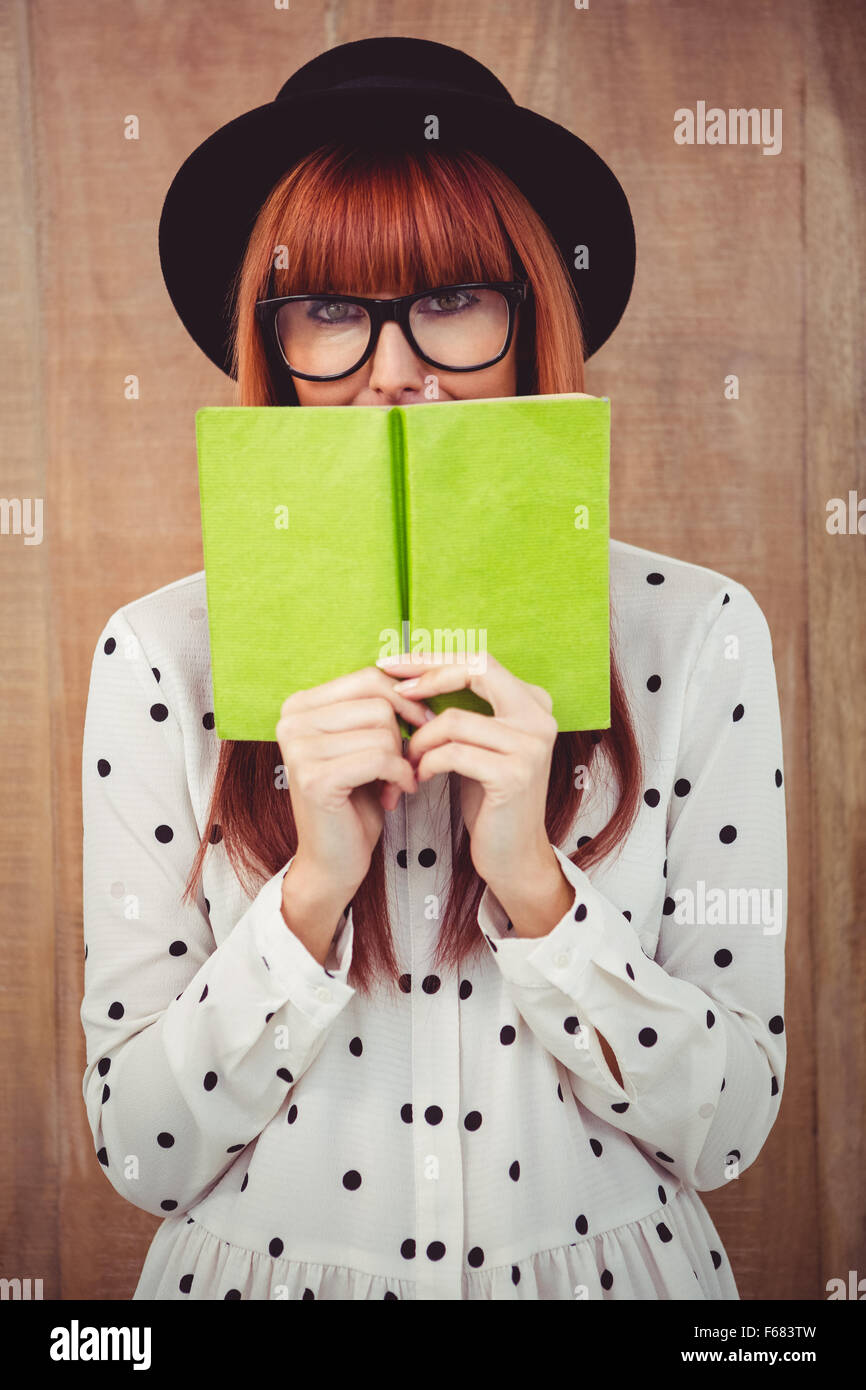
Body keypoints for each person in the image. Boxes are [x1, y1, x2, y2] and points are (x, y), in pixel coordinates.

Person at [80, 37, 787, 1300]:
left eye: (452, 298)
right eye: (330, 311)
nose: (396, 370)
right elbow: (139, 1149)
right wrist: (308, 891)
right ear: (272, 347)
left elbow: (728, 1130)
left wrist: (534, 884)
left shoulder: (697, 632)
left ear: (531, 318)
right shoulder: (159, 655)